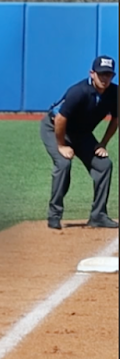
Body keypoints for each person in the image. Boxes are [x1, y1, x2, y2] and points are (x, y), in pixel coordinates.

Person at [42, 54, 118, 230]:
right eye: (101, 74)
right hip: (55, 129)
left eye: (109, 74)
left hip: (81, 133)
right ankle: (54, 215)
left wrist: (103, 144)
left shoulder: (115, 93)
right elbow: (60, 119)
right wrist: (61, 145)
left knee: (104, 165)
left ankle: (98, 215)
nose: (105, 78)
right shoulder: (79, 92)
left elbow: (116, 118)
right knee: (63, 163)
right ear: (92, 73)